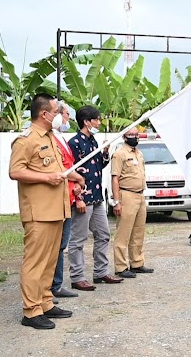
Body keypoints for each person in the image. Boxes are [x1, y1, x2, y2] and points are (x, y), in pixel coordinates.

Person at [9, 94, 83, 330]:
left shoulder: (52, 138)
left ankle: (45, 302)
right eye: (57, 111)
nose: (60, 116)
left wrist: (75, 175)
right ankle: (31, 311)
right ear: (44, 114)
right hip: (39, 213)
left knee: (51, 260)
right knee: (35, 262)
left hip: (57, 210)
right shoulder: (26, 140)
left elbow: (58, 168)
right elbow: (15, 171)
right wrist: (46, 177)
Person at [67, 106, 123, 291]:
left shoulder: (93, 142)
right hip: (83, 197)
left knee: (103, 234)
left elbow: (99, 165)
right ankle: (77, 277)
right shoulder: (75, 143)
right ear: (86, 121)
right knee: (79, 239)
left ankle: (100, 272)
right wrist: (79, 197)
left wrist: (105, 152)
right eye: (96, 120)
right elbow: (71, 171)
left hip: (98, 197)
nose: (99, 123)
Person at [111, 127, 155, 278]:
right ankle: (121, 267)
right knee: (123, 232)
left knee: (138, 231)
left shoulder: (139, 153)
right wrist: (116, 201)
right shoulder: (119, 154)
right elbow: (115, 178)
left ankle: (137, 263)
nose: (134, 137)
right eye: (131, 135)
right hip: (126, 195)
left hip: (140, 195)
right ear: (124, 137)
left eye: (136, 135)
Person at [50, 102, 83, 302]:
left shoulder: (60, 137)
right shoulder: (48, 139)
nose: (68, 119)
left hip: (67, 197)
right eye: (64, 114)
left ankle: (56, 285)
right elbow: (61, 169)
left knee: (61, 245)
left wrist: (77, 187)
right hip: (54, 201)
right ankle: (47, 287)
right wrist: (78, 178)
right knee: (53, 246)